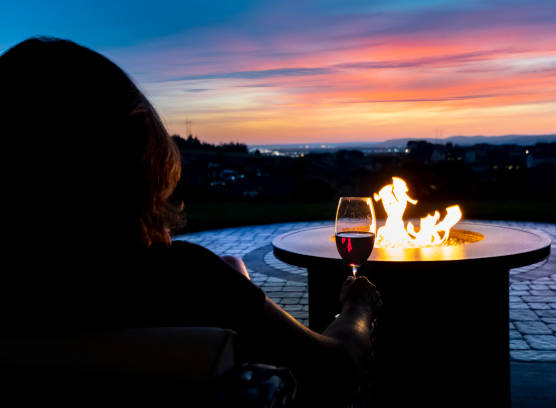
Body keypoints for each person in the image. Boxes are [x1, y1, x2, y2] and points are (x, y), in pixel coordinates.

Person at [0, 37, 381, 405]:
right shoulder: (180, 279)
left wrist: (232, 282)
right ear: (133, 153)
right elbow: (337, 368)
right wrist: (357, 308)